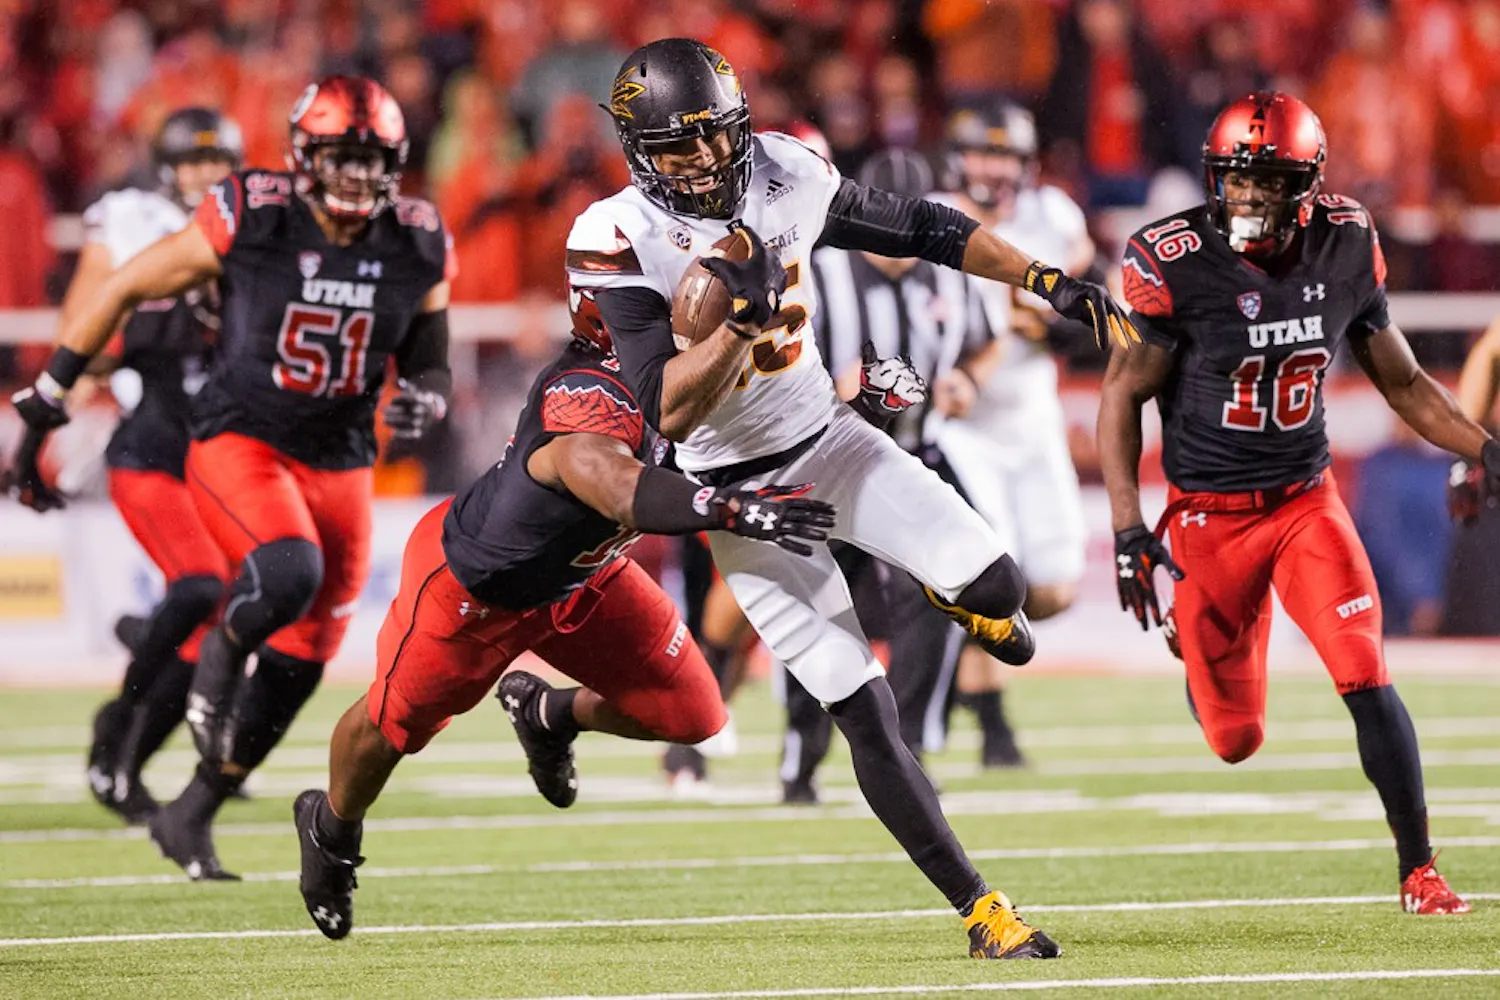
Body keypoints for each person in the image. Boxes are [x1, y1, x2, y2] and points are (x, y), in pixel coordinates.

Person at [562, 37, 1140, 959]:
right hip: (739, 491)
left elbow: (925, 227)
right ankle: (982, 911)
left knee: (1002, 592)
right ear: (638, 152)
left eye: (715, 138)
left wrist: (1045, 278)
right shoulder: (614, 234)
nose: (706, 161)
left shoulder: (787, 170)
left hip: (833, 440)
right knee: (863, 707)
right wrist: (739, 329)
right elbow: (661, 400)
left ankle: (965, 602)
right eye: (679, 148)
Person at [8, 76, 456, 880]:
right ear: (303, 156)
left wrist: (426, 392)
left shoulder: (417, 237)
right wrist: (50, 395)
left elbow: (430, 352)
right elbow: (122, 286)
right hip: (240, 437)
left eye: (370, 160)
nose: (356, 176)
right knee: (284, 573)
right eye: (339, 158)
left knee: (308, 656)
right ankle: (216, 659)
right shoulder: (252, 210)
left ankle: (195, 808)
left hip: (342, 454)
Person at [292, 301, 835, 939]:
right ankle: (330, 830)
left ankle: (548, 714)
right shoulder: (589, 387)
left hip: (588, 576)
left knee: (696, 715)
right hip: (477, 593)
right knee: (394, 727)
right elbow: (610, 481)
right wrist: (731, 509)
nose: (703, 334)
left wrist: (870, 415)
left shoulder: (695, 376)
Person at [1100, 91, 1495, 915]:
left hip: (1303, 503)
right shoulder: (1174, 260)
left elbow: (1407, 384)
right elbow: (1119, 398)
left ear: (1305, 185)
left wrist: (1487, 449)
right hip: (1208, 516)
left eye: (1267, 182)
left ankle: (1418, 869)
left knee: (1365, 670)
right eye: (1236, 182)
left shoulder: (1346, 244)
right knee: (1234, 741)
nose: (1247, 198)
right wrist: (1130, 528)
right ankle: (1199, 634)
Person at [5, 108, 241, 824]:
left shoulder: (253, 233)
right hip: (153, 448)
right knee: (203, 587)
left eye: (215, 162)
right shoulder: (137, 236)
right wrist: (38, 444)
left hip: (221, 459)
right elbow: (91, 333)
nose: (204, 175)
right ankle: (119, 726)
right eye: (191, 162)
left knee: (225, 628)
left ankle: (135, 752)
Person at [780, 147, 1006, 800]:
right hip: (830, 462)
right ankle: (802, 757)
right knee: (820, 607)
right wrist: (826, 390)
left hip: (918, 459)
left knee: (962, 581)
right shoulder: (819, 273)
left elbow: (987, 343)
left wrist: (965, 377)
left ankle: (909, 746)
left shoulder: (949, 274)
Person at [934, 99, 1094, 768]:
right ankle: (988, 719)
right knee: (991, 579)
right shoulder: (931, 216)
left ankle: (959, 681)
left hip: (1032, 417)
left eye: (1005, 154)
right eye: (982, 151)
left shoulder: (1054, 218)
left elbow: (1091, 303)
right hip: (961, 421)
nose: (992, 167)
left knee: (1052, 586)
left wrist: (1046, 321)